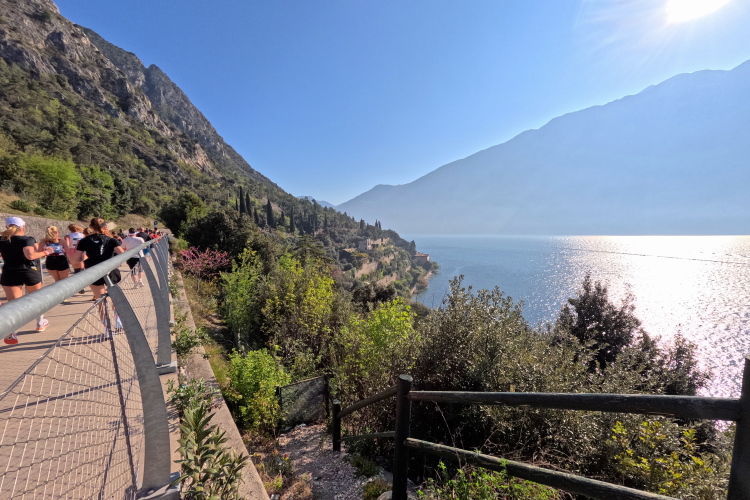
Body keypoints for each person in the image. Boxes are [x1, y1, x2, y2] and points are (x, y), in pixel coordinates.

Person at [0, 217, 54, 344]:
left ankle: (12, 332)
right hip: (28, 271)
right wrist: (46, 252)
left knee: (13, 304)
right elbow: (30, 255)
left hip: (9, 272)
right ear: (23, 227)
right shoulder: (27, 239)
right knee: (36, 299)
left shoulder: (2, 240)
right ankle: (40, 322)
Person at [72, 217, 125, 300]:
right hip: (110, 269)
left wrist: (85, 257)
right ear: (105, 226)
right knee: (115, 297)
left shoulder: (83, 241)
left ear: (90, 226)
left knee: (100, 299)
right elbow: (122, 255)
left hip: (93, 270)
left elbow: (75, 260)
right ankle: (115, 308)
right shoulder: (111, 240)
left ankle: (103, 308)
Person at [40, 226, 71, 291]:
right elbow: (68, 252)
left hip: (50, 260)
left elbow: (41, 255)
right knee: (64, 281)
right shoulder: (62, 241)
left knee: (57, 280)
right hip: (61, 260)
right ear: (57, 232)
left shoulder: (43, 242)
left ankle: (59, 294)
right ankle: (64, 294)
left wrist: (46, 251)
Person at [64, 224, 86, 294]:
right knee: (81, 269)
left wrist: (67, 254)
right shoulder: (83, 235)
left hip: (71, 251)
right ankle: (81, 286)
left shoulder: (68, 236)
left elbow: (67, 245)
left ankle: (79, 286)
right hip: (80, 251)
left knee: (76, 269)